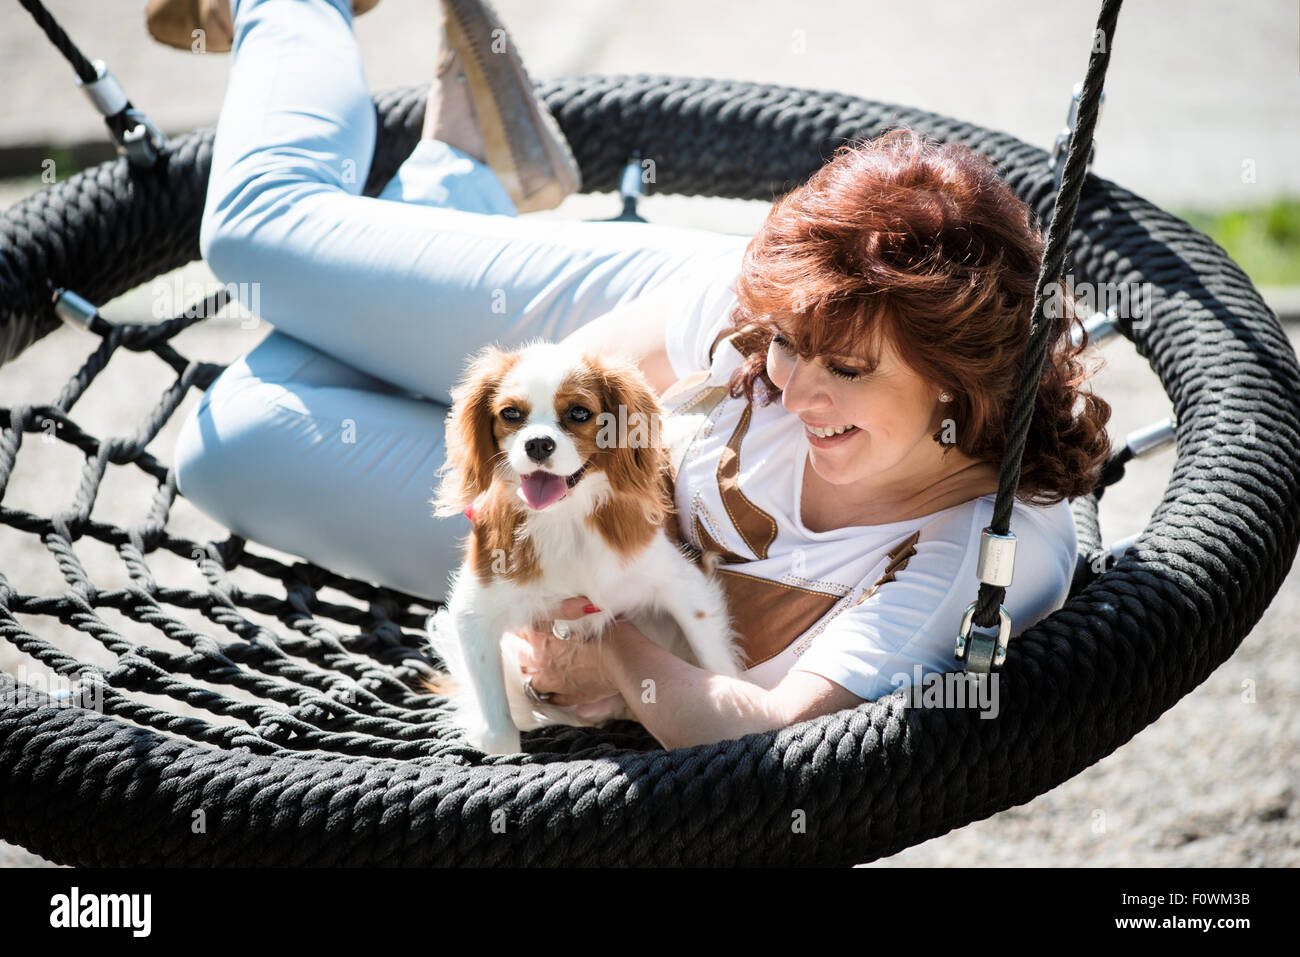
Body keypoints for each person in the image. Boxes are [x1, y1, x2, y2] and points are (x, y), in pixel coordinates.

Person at [168, 0, 1112, 750]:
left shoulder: (971, 553)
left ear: (960, 380)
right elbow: (580, 381)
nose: (793, 390)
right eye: (790, 347)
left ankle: (455, 180)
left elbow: (767, 734)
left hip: (592, 549)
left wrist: (597, 640)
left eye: (849, 371)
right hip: (612, 366)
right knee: (256, 234)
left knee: (227, 439)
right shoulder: (763, 331)